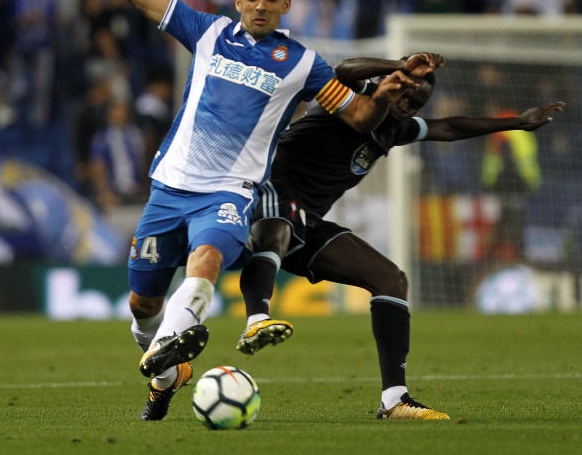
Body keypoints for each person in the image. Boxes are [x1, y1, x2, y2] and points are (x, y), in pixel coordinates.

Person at [71, 0, 421, 422]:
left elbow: (358, 117)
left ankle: (175, 340)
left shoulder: (302, 64)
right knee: (142, 306)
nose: (260, 5)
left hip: (229, 192)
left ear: (286, 5)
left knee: (207, 259)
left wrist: (385, 95)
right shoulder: (208, 33)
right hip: (169, 188)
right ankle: (166, 370)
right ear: (237, 0)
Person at [235, 54, 565, 420]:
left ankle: (395, 400)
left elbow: (449, 127)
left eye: (415, 103)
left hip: (307, 221)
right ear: (385, 82)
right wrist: (398, 65)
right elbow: (343, 70)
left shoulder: (394, 130)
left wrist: (517, 122)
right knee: (279, 221)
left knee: (391, 280)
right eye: (404, 95)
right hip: (267, 193)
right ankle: (256, 320)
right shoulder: (353, 97)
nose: (406, 106)